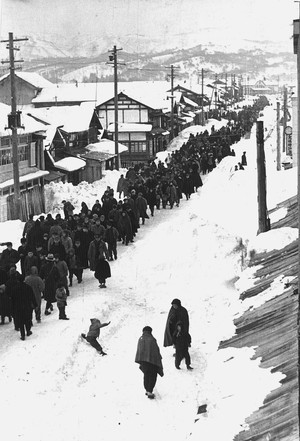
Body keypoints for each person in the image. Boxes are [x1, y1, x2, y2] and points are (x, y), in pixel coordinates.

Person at [8, 267, 37, 340]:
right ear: (24, 279)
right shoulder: (28, 287)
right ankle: (28, 331)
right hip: (27, 306)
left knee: (20, 321)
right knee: (27, 319)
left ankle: (22, 335)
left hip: (18, 307)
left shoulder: (14, 289)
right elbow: (32, 297)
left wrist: (12, 309)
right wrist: (35, 304)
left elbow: (12, 299)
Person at [135, 326, 164, 399]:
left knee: (146, 375)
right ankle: (150, 392)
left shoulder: (140, 339)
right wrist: (158, 358)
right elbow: (156, 350)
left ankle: (147, 389)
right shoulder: (152, 339)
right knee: (152, 376)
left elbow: (139, 350)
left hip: (143, 361)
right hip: (152, 361)